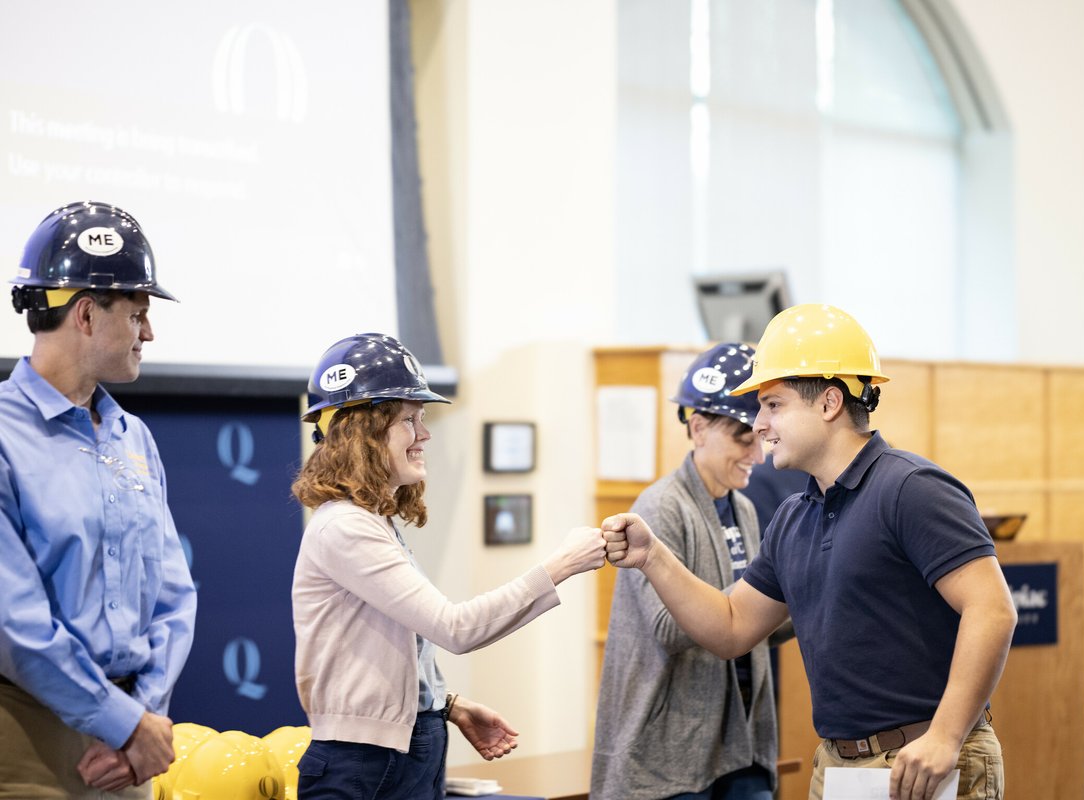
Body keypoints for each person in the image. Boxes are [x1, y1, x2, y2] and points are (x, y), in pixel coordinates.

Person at [603, 304, 1018, 800]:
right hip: (839, 767)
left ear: (828, 403)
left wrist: (946, 736)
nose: (759, 424)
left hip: (924, 764)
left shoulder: (913, 488)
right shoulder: (793, 517)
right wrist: (653, 556)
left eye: (773, 405)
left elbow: (992, 610)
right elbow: (733, 626)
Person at [290, 332, 607, 800]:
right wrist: (563, 564)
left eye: (423, 419)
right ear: (362, 433)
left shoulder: (370, 523)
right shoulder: (344, 528)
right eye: (409, 421)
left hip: (400, 751)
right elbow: (454, 627)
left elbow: (384, 644)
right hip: (364, 763)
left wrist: (445, 704)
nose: (425, 434)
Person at [0, 201, 198, 798]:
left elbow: (173, 594)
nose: (150, 332)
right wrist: (123, 721)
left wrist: (146, 718)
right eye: (138, 313)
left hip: (133, 748)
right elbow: (14, 623)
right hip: (32, 744)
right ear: (86, 314)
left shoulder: (132, 436)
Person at [592, 342, 785, 800]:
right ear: (698, 428)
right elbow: (668, 626)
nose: (756, 455)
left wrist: (807, 594)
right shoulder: (660, 507)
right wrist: (758, 594)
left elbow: (755, 625)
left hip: (740, 742)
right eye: (742, 437)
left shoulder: (744, 509)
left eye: (760, 436)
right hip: (670, 755)